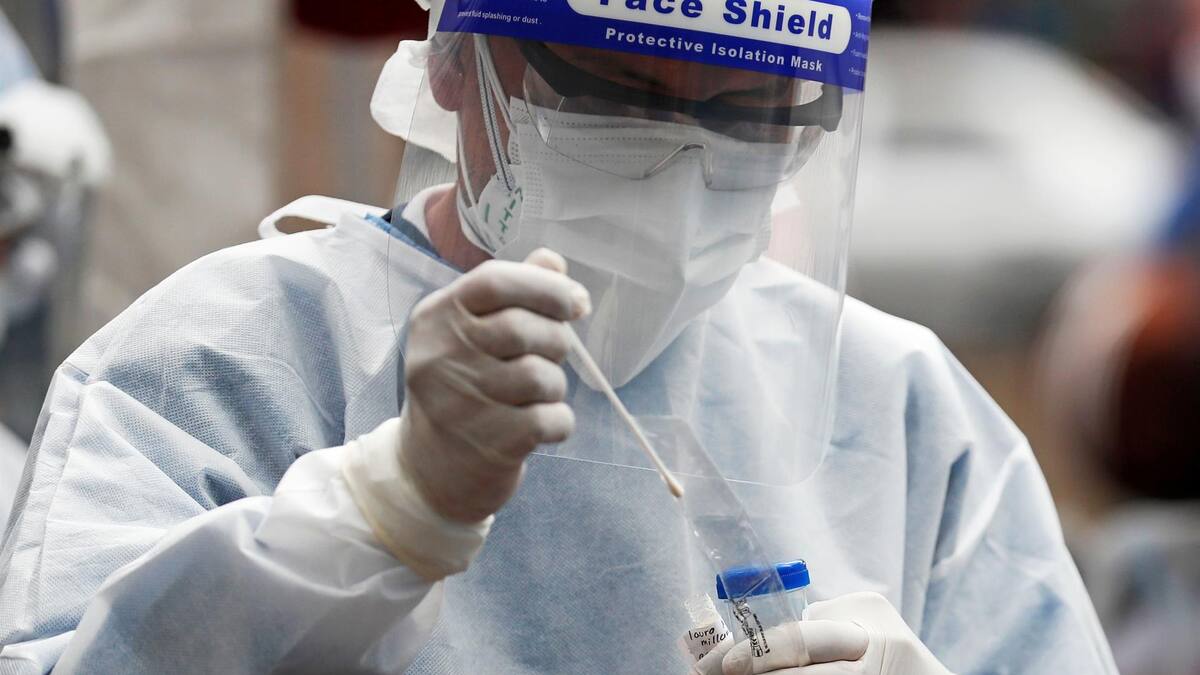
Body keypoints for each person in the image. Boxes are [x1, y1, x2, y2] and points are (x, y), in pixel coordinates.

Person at [0, 0, 1116, 672]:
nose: (681, 167)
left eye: (751, 112)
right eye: (615, 92)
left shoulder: (904, 413)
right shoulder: (225, 361)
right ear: (455, 61)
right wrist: (382, 512)